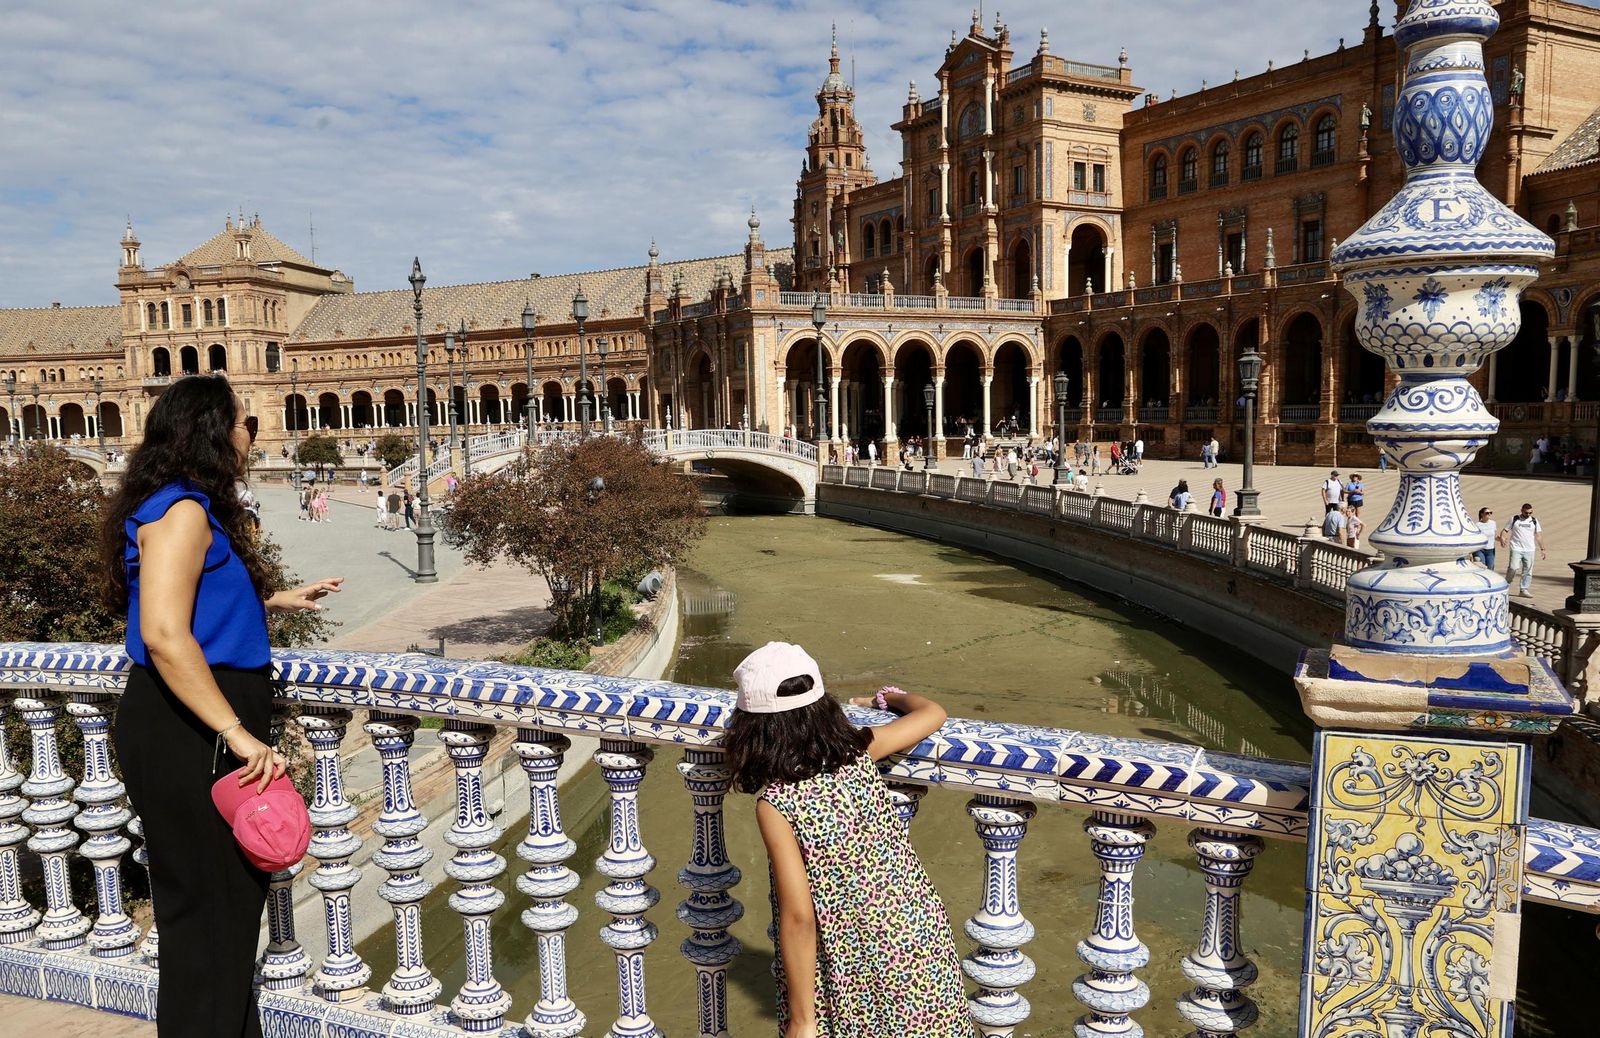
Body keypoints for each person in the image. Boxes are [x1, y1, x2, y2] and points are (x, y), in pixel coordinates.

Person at [103, 375, 341, 1038]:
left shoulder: (179, 507)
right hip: (196, 729)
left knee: (221, 923)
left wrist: (272, 602)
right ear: (212, 431)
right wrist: (236, 731)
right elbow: (163, 633)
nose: (250, 435)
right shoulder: (179, 513)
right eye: (246, 424)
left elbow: (187, 608)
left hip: (189, 723)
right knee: (211, 925)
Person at [723, 642, 971, 1037]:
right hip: (918, 936)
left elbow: (799, 918)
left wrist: (803, 1021)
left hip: (855, 958)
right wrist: (890, 696)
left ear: (754, 730)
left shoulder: (776, 805)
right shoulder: (860, 750)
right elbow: (934, 713)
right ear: (825, 708)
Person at [1499, 502, 1546, 598]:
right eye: (1526, 513)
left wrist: (1543, 548)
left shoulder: (1534, 521)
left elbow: (1539, 535)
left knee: (1528, 570)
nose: (1528, 515)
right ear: (1521, 510)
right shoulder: (1514, 519)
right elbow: (1505, 530)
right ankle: (1506, 585)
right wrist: (1502, 538)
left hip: (1530, 549)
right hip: (1516, 548)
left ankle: (1523, 589)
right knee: (1513, 567)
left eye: (1530, 513)